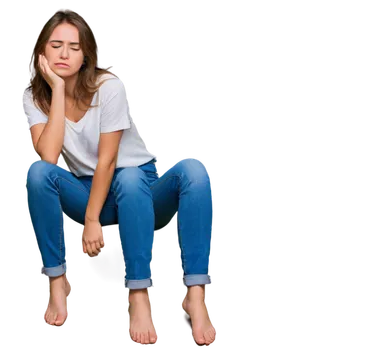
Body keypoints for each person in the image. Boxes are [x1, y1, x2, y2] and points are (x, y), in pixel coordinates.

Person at [22, 8, 217, 348]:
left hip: (140, 187)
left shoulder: (107, 86)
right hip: (86, 189)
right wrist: (55, 90)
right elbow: (50, 157)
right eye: (56, 45)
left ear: (86, 55)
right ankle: (56, 282)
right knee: (37, 173)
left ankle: (191, 295)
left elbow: (109, 159)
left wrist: (93, 220)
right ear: (42, 51)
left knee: (194, 171)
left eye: (74, 46)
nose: (64, 54)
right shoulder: (34, 98)